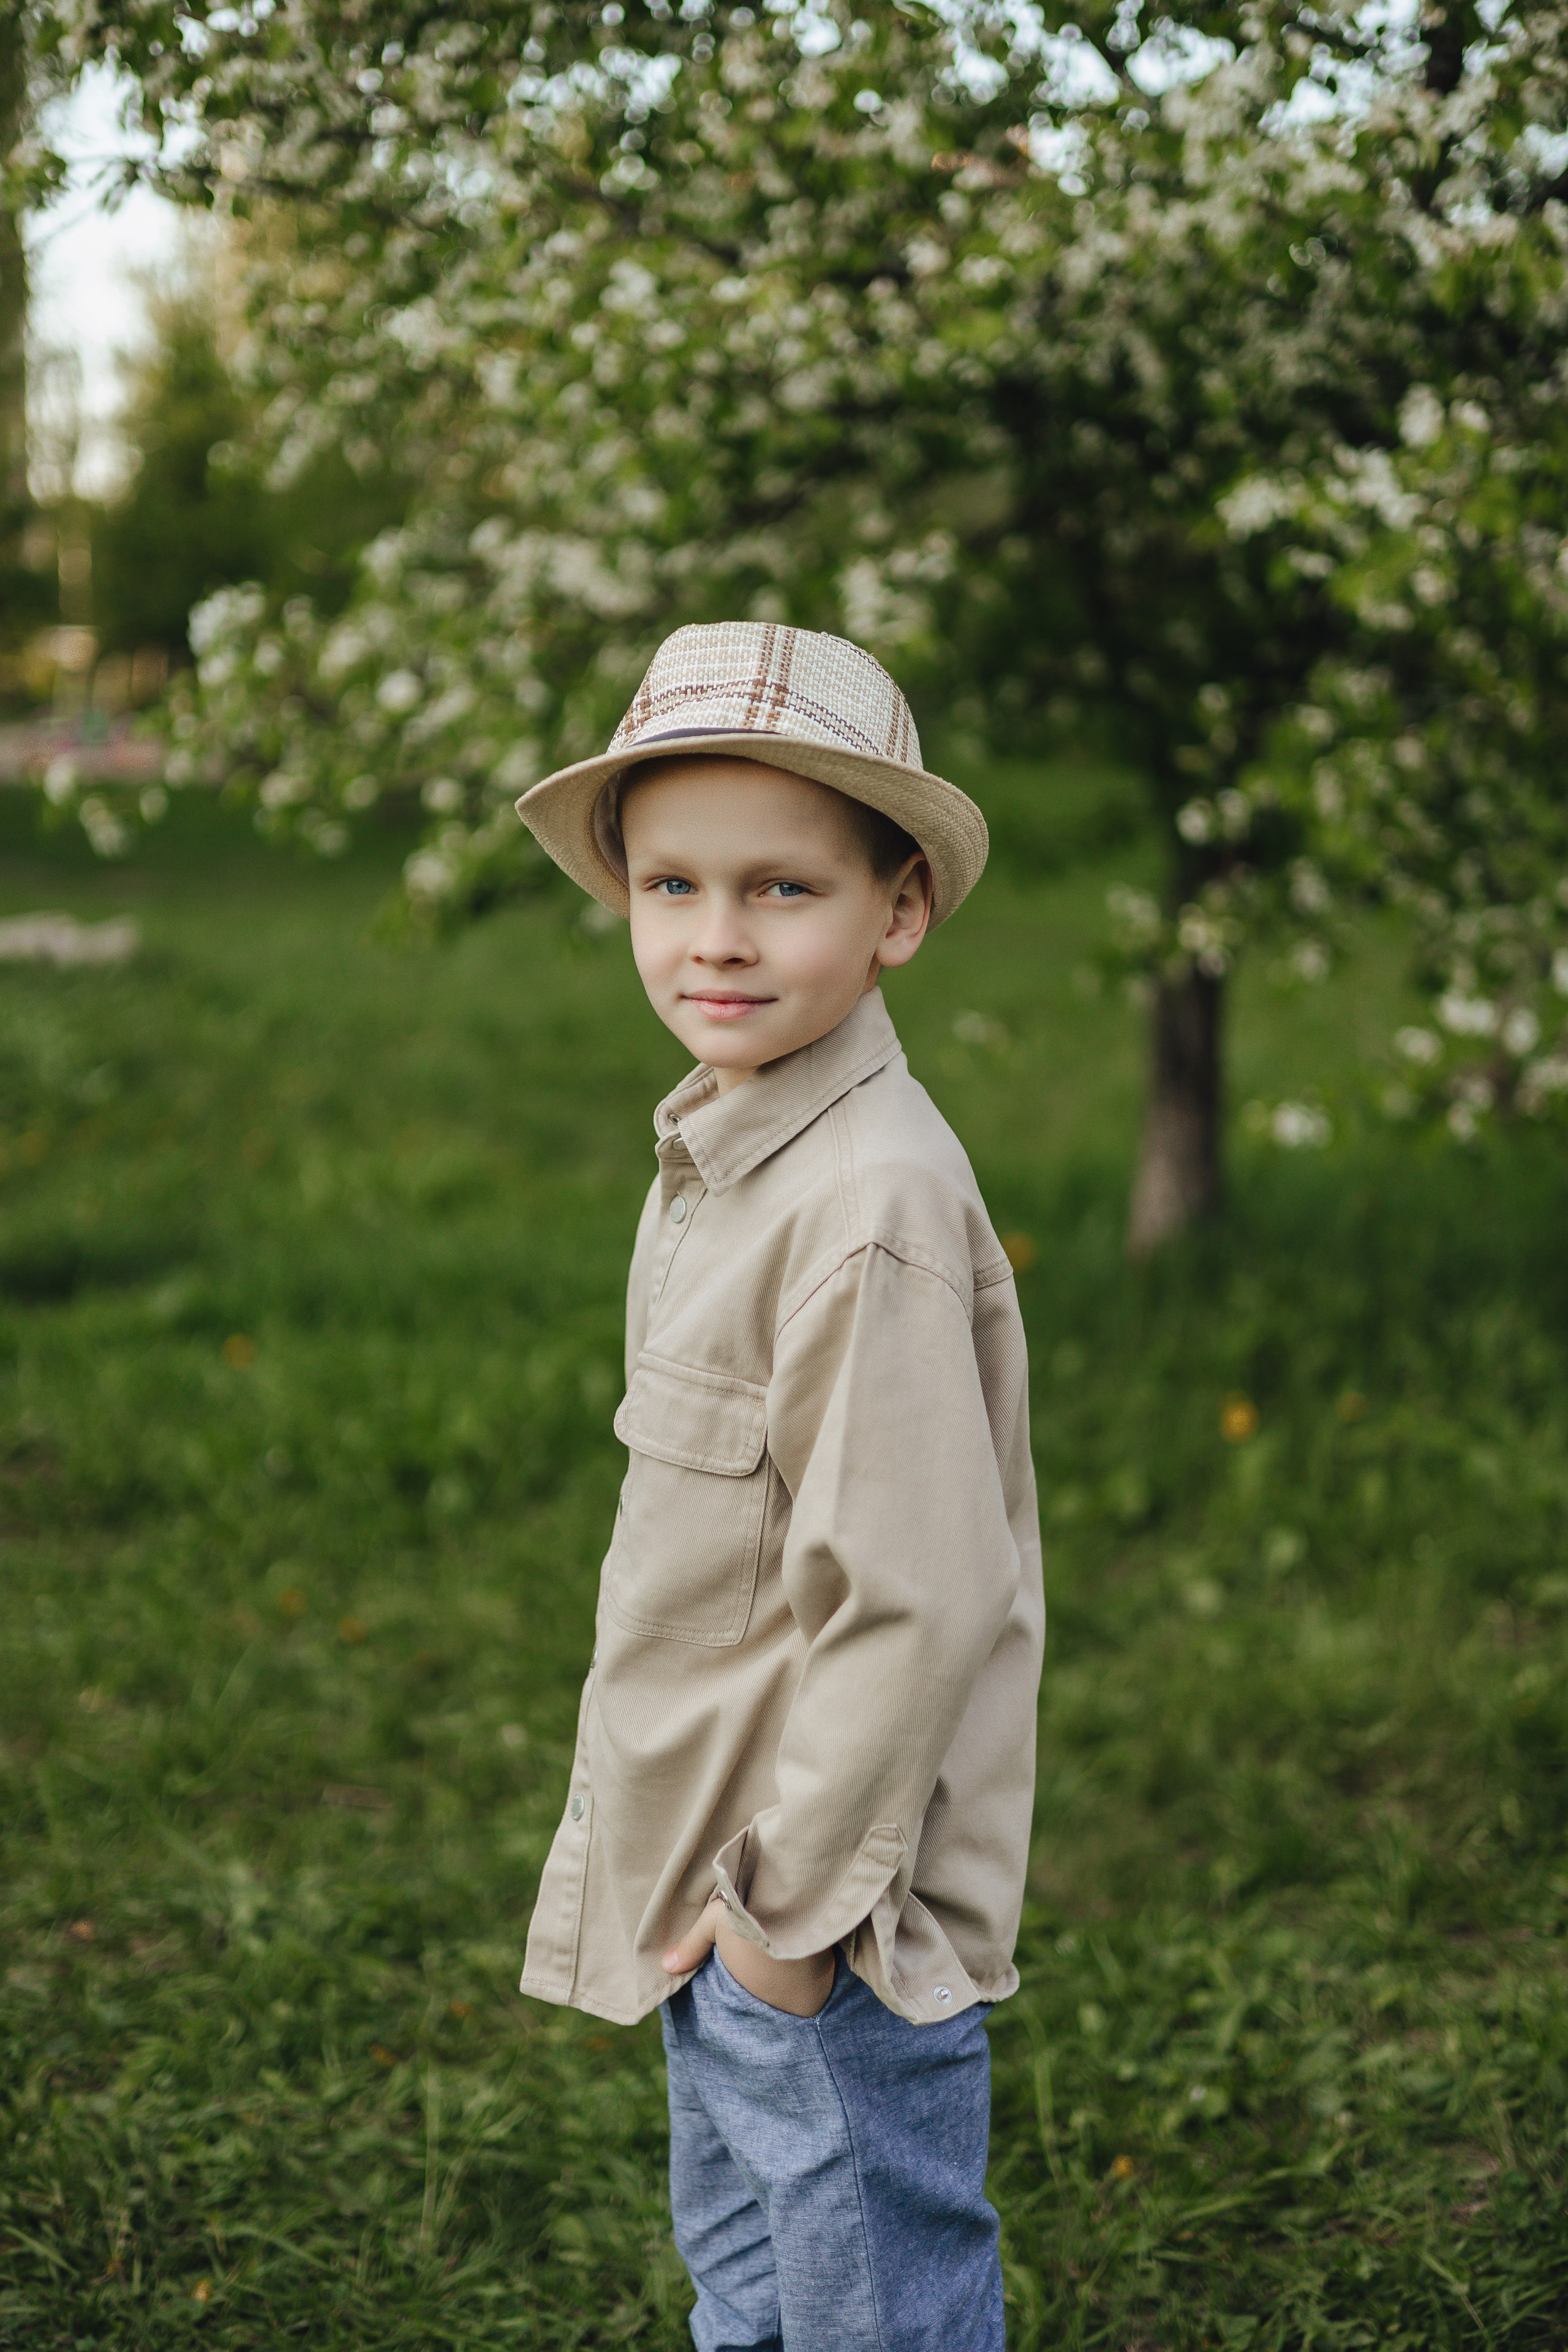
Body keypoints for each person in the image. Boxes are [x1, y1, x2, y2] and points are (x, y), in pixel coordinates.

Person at [513, 622, 1044, 2352]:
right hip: (716, 1887)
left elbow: (915, 1595)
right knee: (751, 2294)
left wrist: (784, 1930)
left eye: (782, 890)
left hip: (821, 1932)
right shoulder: (731, 1146)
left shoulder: (867, 1202)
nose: (716, 937)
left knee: (870, 2313)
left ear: (898, 912)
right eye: (670, 883)